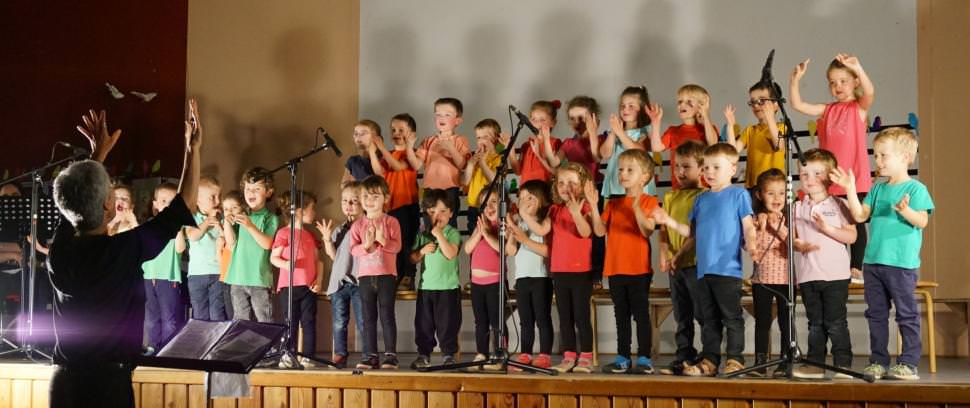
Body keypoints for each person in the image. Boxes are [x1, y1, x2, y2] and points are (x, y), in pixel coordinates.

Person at [47, 102, 201, 407]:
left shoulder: (60, 250)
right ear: (107, 207)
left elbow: (77, 199)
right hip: (107, 386)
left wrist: (97, 156)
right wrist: (192, 149)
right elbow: (183, 207)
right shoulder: (122, 250)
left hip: (64, 382)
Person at [831, 128, 934, 381]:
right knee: (876, 314)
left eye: (884, 155)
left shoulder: (917, 188)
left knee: (906, 313)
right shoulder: (877, 189)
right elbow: (859, 216)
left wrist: (906, 211)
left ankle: (908, 363)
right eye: (876, 155)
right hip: (873, 263)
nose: (878, 161)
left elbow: (921, 221)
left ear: (906, 157)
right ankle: (878, 360)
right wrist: (851, 188)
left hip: (900, 264)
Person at [673, 143, 757, 377]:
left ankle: (735, 359)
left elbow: (748, 225)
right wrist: (678, 253)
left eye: (716, 167)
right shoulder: (701, 199)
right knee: (708, 319)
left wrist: (751, 242)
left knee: (731, 317)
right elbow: (692, 234)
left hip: (727, 269)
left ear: (732, 169)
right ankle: (709, 360)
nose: (709, 172)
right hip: (703, 270)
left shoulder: (739, 194)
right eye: (706, 167)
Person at [791, 53, 875, 283]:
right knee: (833, 222)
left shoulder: (857, 108)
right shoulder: (826, 110)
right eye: (832, 82)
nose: (837, 86)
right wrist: (796, 80)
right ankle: (837, 268)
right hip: (829, 180)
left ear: (855, 81)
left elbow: (869, 93)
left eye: (843, 81)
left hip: (852, 178)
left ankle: (856, 267)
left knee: (853, 222)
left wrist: (858, 67)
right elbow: (798, 105)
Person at [589, 149, 670, 374]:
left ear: (645, 177)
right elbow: (598, 231)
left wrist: (635, 207)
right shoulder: (613, 205)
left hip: (638, 269)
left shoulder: (650, 201)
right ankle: (622, 356)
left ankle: (644, 357)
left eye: (629, 170)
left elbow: (647, 230)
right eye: (621, 169)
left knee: (641, 314)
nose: (623, 174)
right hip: (615, 269)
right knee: (621, 314)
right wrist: (594, 206)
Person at [790, 149, 856, 379]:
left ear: (829, 176)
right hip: (808, 275)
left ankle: (843, 365)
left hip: (835, 275)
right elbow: (794, 238)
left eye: (817, 173)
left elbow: (852, 237)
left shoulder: (839, 203)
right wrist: (797, 244)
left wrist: (827, 229)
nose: (809, 179)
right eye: (804, 173)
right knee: (815, 323)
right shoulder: (797, 207)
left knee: (836, 322)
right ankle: (816, 364)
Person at [525, 163, 596, 373]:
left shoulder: (585, 207)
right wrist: (525, 215)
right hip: (560, 270)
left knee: (581, 315)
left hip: (581, 270)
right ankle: (569, 355)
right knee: (565, 317)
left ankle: (585, 356)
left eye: (572, 183)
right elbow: (541, 228)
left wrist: (575, 214)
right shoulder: (554, 209)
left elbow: (585, 232)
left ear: (582, 185)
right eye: (561, 182)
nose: (566, 187)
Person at [657, 140, 706, 376]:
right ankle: (684, 354)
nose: (680, 172)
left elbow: (696, 233)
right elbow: (663, 230)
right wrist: (665, 253)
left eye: (686, 166)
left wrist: (678, 255)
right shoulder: (670, 197)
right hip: (675, 266)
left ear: (701, 168)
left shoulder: (704, 196)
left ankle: (707, 356)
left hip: (695, 264)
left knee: (702, 312)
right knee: (681, 314)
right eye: (677, 167)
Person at [349, 175, 402, 369]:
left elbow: (396, 247)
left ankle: (390, 355)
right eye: (365, 197)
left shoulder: (391, 222)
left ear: (385, 198)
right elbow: (353, 249)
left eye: (375, 196)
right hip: (365, 276)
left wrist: (384, 240)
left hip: (386, 275)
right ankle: (370, 355)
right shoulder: (358, 225)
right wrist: (368, 245)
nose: (369, 201)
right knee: (367, 317)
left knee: (387, 315)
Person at [408, 189, 462, 369]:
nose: (437, 216)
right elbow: (413, 258)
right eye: (432, 212)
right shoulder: (422, 233)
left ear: (451, 213)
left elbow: (451, 254)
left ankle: (448, 355)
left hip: (448, 288)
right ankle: (424, 355)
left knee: (448, 324)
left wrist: (439, 234)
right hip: (426, 288)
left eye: (442, 212)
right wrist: (421, 251)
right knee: (424, 324)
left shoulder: (452, 232)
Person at [748, 169, 793, 377]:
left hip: (785, 279)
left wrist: (778, 226)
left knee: (786, 321)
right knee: (763, 321)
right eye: (771, 193)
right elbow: (746, 244)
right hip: (761, 280)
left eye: (781, 193)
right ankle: (760, 361)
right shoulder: (756, 220)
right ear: (759, 195)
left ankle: (786, 360)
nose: (777, 198)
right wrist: (759, 225)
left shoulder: (789, 217)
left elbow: (794, 242)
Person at [270, 190, 322, 368]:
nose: (314, 212)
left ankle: (309, 356)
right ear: (299, 211)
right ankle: (287, 353)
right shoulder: (283, 233)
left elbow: (318, 261)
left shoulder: (310, 236)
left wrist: (319, 280)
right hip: (289, 287)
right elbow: (274, 257)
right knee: (290, 321)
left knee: (308, 321)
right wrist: (285, 265)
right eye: (311, 208)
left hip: (308, 287)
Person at [506, 180, 554, 370]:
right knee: (525, 319)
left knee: (542, 317)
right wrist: (512, 232)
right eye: (522, 198)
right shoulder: (519, 221)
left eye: (530, 198)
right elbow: (511, 250)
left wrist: (525, 238)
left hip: (541, 277)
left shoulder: (546, 221)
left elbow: (548, 251)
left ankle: (545, 354)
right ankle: (525, 353)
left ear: (542, 201)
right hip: (522, 277)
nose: (524, 202)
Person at [319, 182, 365, 369]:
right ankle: (340, 354)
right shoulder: (340, 229)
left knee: (363, 321)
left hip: (360, 282)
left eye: (354, 201)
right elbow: (333, 255)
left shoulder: (366, 225)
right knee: (339, 322)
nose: (349, 205)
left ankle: (369, 354)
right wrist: (327, 239)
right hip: (340, 283)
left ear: (363, 203)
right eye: (345, 201)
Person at [224, 167, 279, 322]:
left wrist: (250, 226)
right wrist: (227, 224)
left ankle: (268, 347)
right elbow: (231, 242)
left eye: (257, 189)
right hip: (237, 276)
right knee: (240, 319)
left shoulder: (270, 217)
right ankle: (241, 347)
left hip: (258, 278)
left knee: (264, 318)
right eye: (248, 189)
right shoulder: (240, 213)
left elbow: (267, 244)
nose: (251, 193)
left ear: (268, 192)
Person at [407, 98, 470, 226]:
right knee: (429, 224)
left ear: (457, 120)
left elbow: (463, 165)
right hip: (430, 190)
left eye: (447, 115)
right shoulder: (429, 141)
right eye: (438, 114)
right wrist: (409, 147)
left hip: (449, 189)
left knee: (448, 225)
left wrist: (451, 148)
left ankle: (449, 246)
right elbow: (417, 165)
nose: (442, 117)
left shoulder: (460, 140)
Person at [141, 183, 187, 354]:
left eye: (172, 202)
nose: (167, 205)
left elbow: (180, 248)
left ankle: (168, 349)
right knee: (151, 316)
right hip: (148, 276)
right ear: (155, 204)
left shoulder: (177, 226)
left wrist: (178, 228)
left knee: (169, 318)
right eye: (163, 200)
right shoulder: (150, 224)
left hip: (168, 277)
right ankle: (153, 345)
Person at [463, 187, 506, 371]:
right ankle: (481, 352)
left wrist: (487, 233)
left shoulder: (502, 226)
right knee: (480, 321)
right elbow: (467, 248)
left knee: (497, 321)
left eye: (493, 202)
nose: (489, 207)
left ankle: (499, 353)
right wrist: (480, 232)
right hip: (477, 283)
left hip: (495, 282)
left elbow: (501, 249)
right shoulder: (480, 225)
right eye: (485, 203)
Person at [382, 114, 421, 291]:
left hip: (406, 204)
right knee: (392, 242)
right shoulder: (387, 154)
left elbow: (400, 165)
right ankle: (394, 276)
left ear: (411, 133)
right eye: (393, 130)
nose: (396, 133)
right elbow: (380, 170)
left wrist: (380, 147)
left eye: (401, 130)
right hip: (390, 206)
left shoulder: (410, 153)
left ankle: (408, 276)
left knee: (407, 240)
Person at [724, 82, 787, 190]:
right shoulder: (750, 130)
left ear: (776, 104)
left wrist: (770, 118)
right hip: (752, 187)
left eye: (762, 101)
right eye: (753, 102)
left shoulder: (782, 128)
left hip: (773, 187)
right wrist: (730, 126)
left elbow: (779, 145)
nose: (756, 105)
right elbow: (732, 152)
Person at [185, 176, 226, 322]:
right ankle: (201, 343)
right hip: (197, 274)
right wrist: (207, 221)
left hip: (218, 273)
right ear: (197, 199)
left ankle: (216, 344)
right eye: (212, 197)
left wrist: (220, 225)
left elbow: (228, 240)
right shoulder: (191, 217)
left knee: (217, 313)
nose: (217, 201)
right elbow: (193, 236)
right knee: (200, 314)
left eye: (219, 196)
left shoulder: (222, 218)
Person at [510, 100, 560, 184]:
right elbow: (518, 171)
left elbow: (557, 172)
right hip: (526, 191)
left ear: (553, 122)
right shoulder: (526, 145)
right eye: (533, 119)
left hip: (544, 190)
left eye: (542, 120)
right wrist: (511, 150)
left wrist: (539, 155)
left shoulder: (555, 143)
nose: (537, 123)